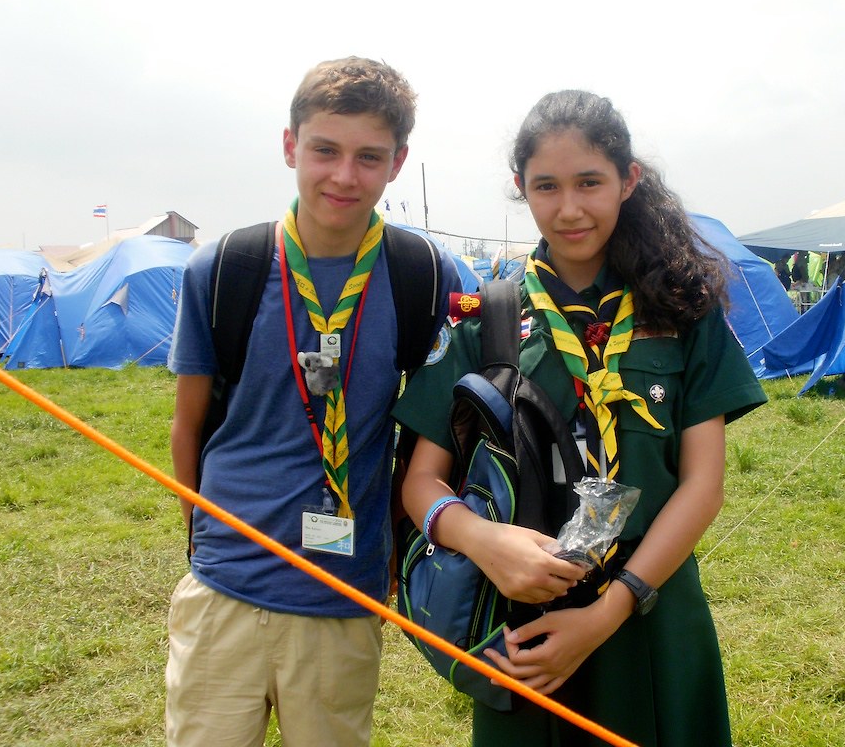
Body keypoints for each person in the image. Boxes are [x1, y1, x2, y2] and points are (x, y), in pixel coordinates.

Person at [393, 90, 767, 746]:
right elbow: (421, 481)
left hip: (651, 609)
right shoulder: (487, 319)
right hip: (525, 620)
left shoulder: (684, 310)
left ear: (629, 180)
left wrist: (610, 609)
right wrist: (485, 542)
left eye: (590, 182)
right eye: (547, 186)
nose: (569, 208)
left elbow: (703, 485)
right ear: (521, 188)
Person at [165, 56, 460, 747]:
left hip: (344, 594)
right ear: (291, 144)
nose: (344, 176)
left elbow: (428, 432)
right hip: (223, 592)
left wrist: (397, 545)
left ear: (398, 162)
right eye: (325, 149)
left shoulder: (421, 274)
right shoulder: (224, 268)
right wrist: (203, 536)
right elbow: (186, 429)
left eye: (369, 157)